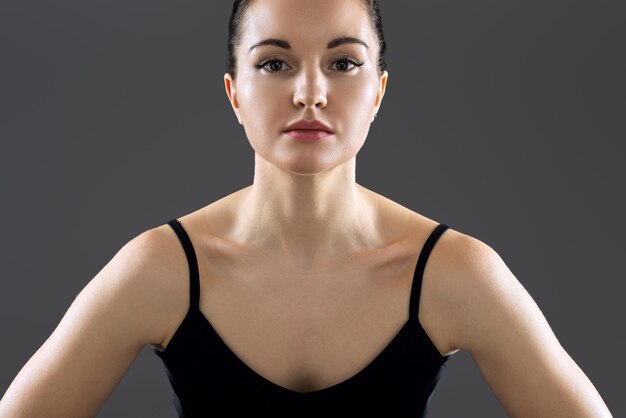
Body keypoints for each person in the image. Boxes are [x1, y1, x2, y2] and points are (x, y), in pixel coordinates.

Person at [0, 0, 613, 417]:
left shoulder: (453, 272)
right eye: (275, 62)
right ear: (234, 92)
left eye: (343, 63)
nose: (310, 92)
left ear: (378, 91)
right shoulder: (162, 267)